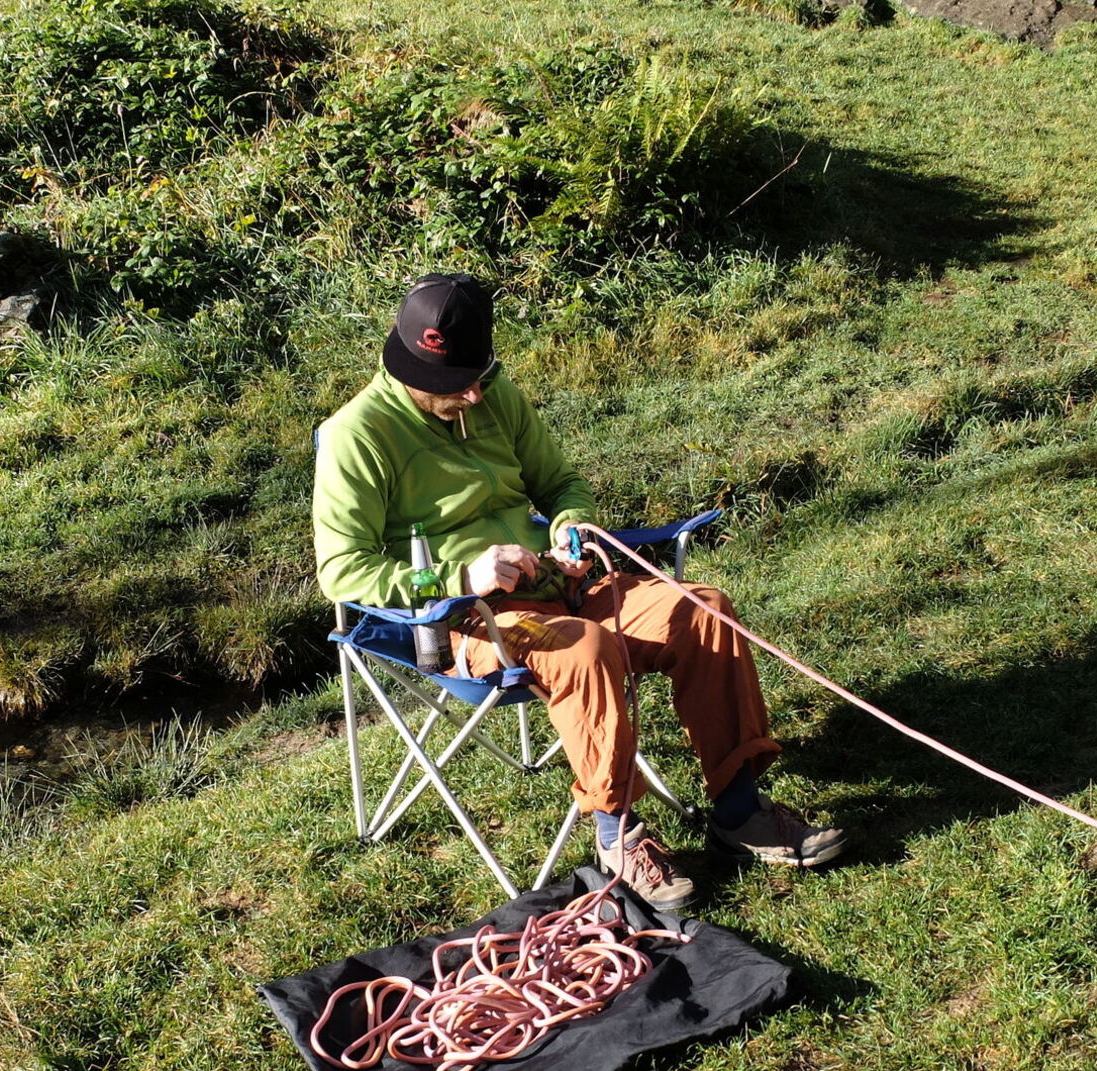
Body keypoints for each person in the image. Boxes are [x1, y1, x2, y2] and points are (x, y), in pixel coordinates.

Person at [312, 272, 845, 911]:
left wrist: (568, 528)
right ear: (407, 367)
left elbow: (561, 482)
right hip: (472, 620)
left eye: (481, 375)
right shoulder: (357, 436)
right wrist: (464, 577)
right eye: (457, 387)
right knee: (586, 651)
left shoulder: (493, 394)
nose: (476, 394)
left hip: (566, 588)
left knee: (703, 611)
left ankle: (738, 812)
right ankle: (618, 839)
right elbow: (342, 571)